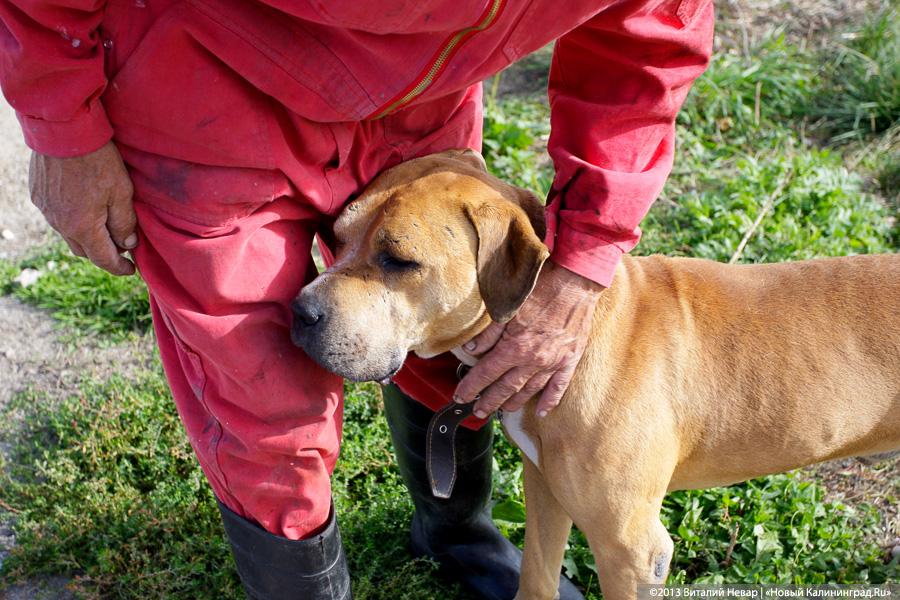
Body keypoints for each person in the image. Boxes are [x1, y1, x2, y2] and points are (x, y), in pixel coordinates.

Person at [0, 1, 714, 598]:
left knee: (446, 325)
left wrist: (586, 253)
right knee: (265, 394)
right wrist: (62, 122)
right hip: (204, 83)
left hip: (424, 92)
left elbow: (652, 35)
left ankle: (456, 532)